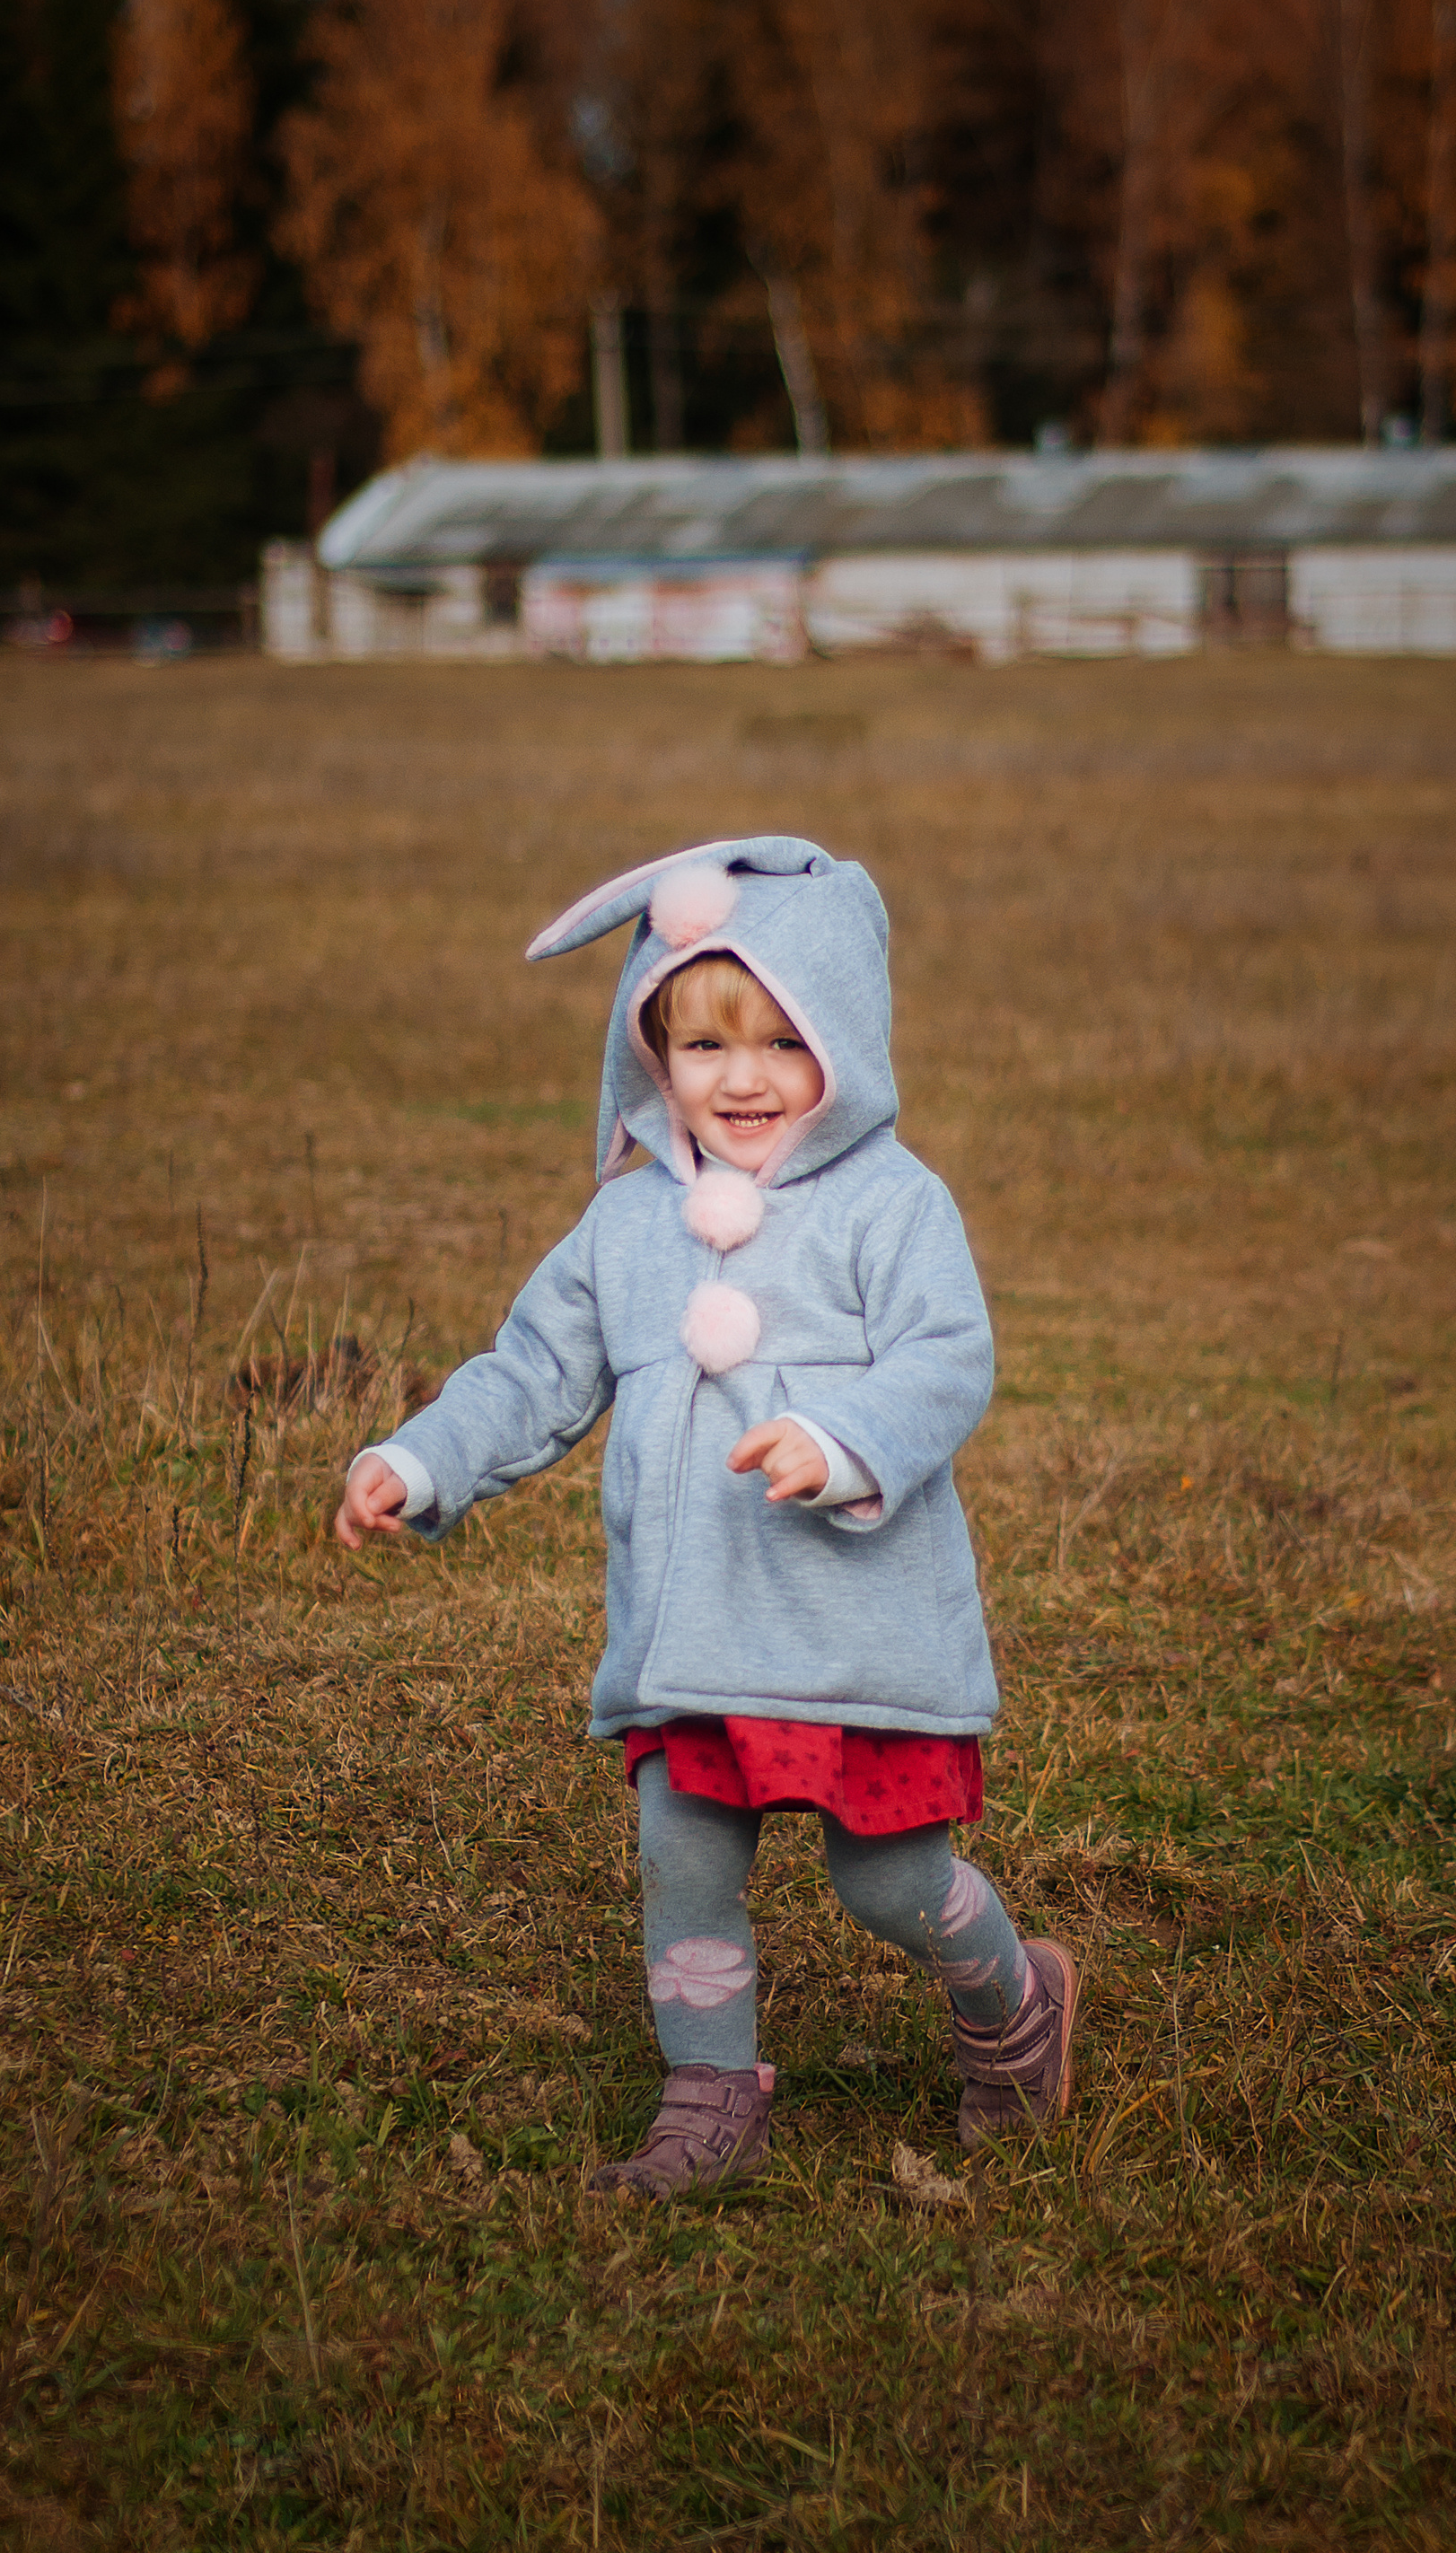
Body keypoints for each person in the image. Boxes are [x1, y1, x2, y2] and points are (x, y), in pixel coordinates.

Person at [335, 836, 1078, 2199]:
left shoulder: (893, 1205)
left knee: (890, 1885)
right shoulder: (627, 1230)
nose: (744, 1080)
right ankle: (709, 2092)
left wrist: (844, 1438)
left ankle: (1015, 2000)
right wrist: (423, 1458)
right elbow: (531, 1376)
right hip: (692, 1629)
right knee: (684, 1862)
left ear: (843, 1040)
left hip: (854, 1630)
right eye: (704, 1045)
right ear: (650, 1054)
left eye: (785, 1042)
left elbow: (946, 1360)